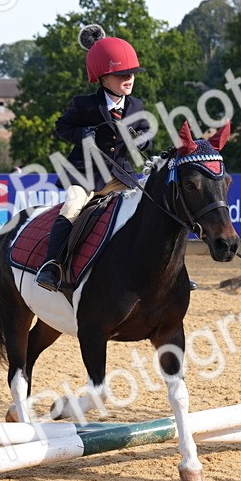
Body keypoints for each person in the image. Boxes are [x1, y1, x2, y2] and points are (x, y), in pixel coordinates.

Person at [35, 23, 152, 291]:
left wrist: (141, 139)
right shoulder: (84, 104)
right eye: (122, 74)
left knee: (151, 208)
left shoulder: (136, 106)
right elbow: (62, 126)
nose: (129, 78)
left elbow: (147, 135)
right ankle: (52, 267)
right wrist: (82, 135)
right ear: (102, 78)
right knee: (72, 208)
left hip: (120, 175)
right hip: (85, 175)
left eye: (132, 73)